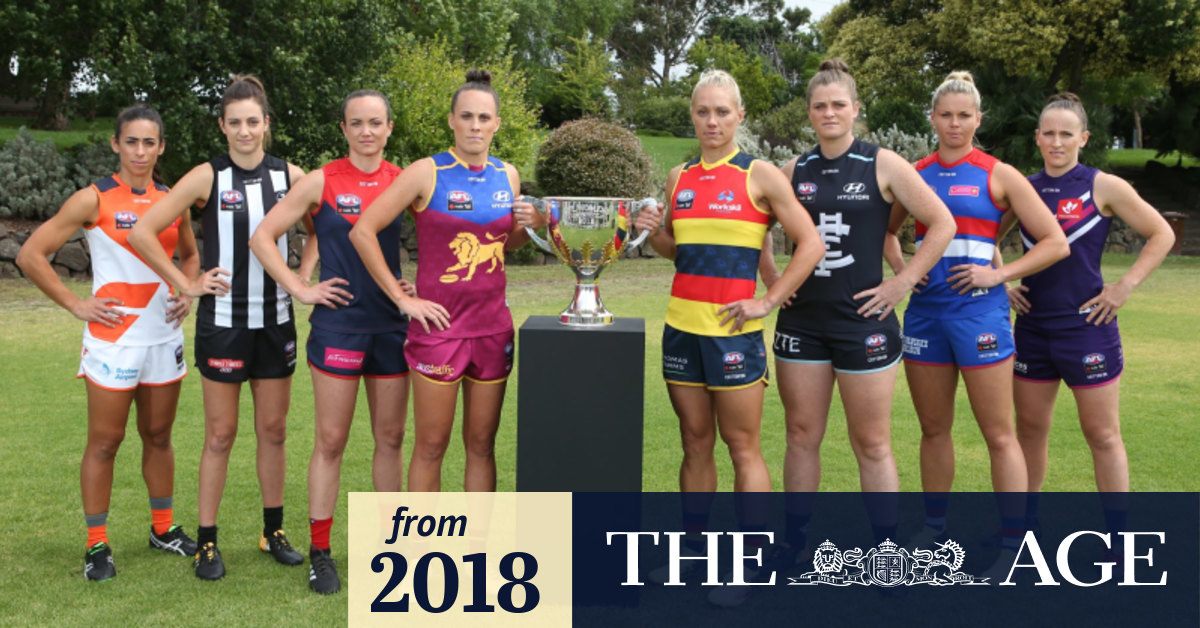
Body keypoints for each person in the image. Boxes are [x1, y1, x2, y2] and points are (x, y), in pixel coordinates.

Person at [633, 69, 824, 606]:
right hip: (680, 330)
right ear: (692, 116)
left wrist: (768, 300)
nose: (712, 121)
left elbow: (810, 244)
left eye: (722, 112)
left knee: (742, 447)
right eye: (703, 112)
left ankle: (747, 564)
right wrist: (653, 230)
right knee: (694, 442)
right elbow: (678, 251)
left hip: (734, 336)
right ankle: (694, 551)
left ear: (740, 115)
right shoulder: (679, 177)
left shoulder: (759, 174)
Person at [760, 58, 955, 566]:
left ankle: (886, 553)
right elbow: (755, 227)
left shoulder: (883, 164)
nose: (829, 113)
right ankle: (795, 543)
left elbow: (943, 223)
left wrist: (902, 281)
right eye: (820, 105)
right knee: (801, 436)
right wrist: (774, 282)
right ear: (809, 112)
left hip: (864, 325)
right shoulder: (792, 171)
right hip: (803, 324)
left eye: (838, 104)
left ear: (855, 109)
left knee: (871, 442)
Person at [129, 75, 314, 580]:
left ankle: (272, 531)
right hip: (224, 325)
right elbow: (143, 232)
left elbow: (319, 229)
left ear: (266, 123)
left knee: (273, 431)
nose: (245, 131)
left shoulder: (291, 176)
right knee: (220, 435)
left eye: (253, 121)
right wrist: (186, 284)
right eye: (235, 123)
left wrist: (303, 274)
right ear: (222, 126)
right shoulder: (207, 177)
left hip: (275, 321)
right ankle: (207, 542)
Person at [885, 71, 1068, 570]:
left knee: (999, 433)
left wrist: (999, 275)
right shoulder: (914, 173)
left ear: (978, 120)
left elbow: (1055, 242)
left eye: (964, 115)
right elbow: (888, 232)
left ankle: (1013, 544)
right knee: (933, 429)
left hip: (979, 316)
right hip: (926, 316)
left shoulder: (998, 174)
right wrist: (905, 272)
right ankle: (934, 529)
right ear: (932, 118)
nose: (954, 124)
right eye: (945, 115)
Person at [16, 105, 200, 581]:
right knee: (105, 441)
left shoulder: (172, 199)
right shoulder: (92, 199)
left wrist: (186, 293)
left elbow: (190, 256)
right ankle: (96, 543)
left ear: (161, 147)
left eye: (149, 142)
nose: (140, 151)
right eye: (131, 141)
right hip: (113, 340)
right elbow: (31, 255)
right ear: (116, 144)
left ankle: (163, 528)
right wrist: (76, 304)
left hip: (163, 338)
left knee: (158, 436)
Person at [350, 69, 542, 492]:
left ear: (496, 124)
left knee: (482, 446)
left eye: (484, 118)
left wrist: (530, 227)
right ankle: (426, 537)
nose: (475, 126)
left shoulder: (507, 175)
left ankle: (477, 535)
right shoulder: (426, 172)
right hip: (439, 329)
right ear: (452, 120)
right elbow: (363, 231)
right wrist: (403, 300)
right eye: (467, 116)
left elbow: (503, 245)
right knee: (431, 447)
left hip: (493, 329)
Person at [250, 89, 409, 594]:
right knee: (332, 440)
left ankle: (394, 548)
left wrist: (418, 287)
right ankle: (321, 552)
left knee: (391, 439)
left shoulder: (404, 179)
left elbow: (442, 235)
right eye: (356, 122)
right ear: (343, 129)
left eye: (375, 122)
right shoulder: (321, 180)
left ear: (389, 128)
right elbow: (262, 237)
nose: (366, 131)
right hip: (339, 328)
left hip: (391, 327)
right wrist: (300, 287)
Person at [1008, 93, 1174, 553]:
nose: (1056, 142)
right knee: (1029, 432)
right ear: (1037, 138)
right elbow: (982, 237)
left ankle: (1118, 539)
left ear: (1083, 138)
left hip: (1087, 328)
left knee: (1102, 434)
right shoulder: (1023, 188)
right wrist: (1002, 283)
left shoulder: (1103, 186)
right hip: (1033, 329)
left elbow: (1162, 233)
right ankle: (1025, 528)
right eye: (1048, 133)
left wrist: (1124, 287)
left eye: (1066, 134)